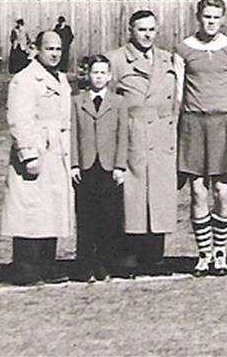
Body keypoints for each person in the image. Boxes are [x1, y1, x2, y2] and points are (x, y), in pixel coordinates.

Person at [173, 0, 227, 277]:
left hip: (223, 122)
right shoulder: (183, 49)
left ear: (223, 18)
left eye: (216, 17)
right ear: (198, 17)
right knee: (197, 190)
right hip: (193, 123)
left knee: (223, 190)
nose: (211, 22)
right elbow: (179, 92)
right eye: (206, 17)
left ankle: (220, 253)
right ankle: (203, 254)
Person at [108, 9, 181, 276]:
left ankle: (154, 255)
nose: (147, 35)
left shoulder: (168, 60)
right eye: (141, 29)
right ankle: (128, 254)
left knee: (159, 195)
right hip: (133, 134)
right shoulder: (116, 60)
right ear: (130, 30)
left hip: (163, 135)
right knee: (133, 196)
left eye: (151, 29)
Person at [0, 30, 74, 285]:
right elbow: (20, 120)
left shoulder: (61, 80)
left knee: (51, 210)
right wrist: (28, 154)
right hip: (37, 150)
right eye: (50, 48)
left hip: (58, 151)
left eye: (58, 49)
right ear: (36, 48)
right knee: (29, 211)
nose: (54, 54)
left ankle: (47, 263)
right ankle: (25, 266)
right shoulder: (25, 80)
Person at [71, 53, 127, 282]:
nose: (99, 77)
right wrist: (74, 164)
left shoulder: (118, 102)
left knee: (108, 218)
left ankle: (105, 263)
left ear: (110, 76)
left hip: (108, 166)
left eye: (103, 72)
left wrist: (120, 166)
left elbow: (123, 136)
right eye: (95, 72)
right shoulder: (77, 101)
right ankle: (85, 264)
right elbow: (73, 134)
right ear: (88, 75)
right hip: (85, 167)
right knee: (86, 218)